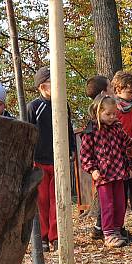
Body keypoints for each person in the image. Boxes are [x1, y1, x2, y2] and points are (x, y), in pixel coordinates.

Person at [27, 67, 75, 253]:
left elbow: (68, 128)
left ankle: (56, 236)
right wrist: (29, 157)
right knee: (41, 200)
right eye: (52, 82)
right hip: (39, 160)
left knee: (58, 199)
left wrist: (71, 148)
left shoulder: (63, 104)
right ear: (42, 86)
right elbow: (29, 133)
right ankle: (43, 237)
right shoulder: (34, 107)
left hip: (59, 159)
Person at [79, 95, 132, 248]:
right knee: (107, 205)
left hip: (118, 171)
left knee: (120, 203)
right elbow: (85, 155)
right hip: (103, 175)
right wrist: (92, 169)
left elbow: (126, 145)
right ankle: (108, 233)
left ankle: (117, 230)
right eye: (108, 114)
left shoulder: (117, 128)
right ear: (98, 111)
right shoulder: (91, 131)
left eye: (114, 114)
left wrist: (128, 167)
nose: (111, 117)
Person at [111, 72, 132, 228]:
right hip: (119, 157)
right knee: (121, 194)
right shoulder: (114, 111)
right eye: (129, 92)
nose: (131, 95)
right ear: (118, 90)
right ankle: (119, 226)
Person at [84, 75, 111, 241]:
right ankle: (102, 228)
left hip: (111, 166)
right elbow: (87, 151)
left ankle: (103, 227)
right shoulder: (94, 125)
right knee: (106, 198)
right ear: (104, 93)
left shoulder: (109, 120)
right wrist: (93, 168)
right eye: (111, 88)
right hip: (102, 168)